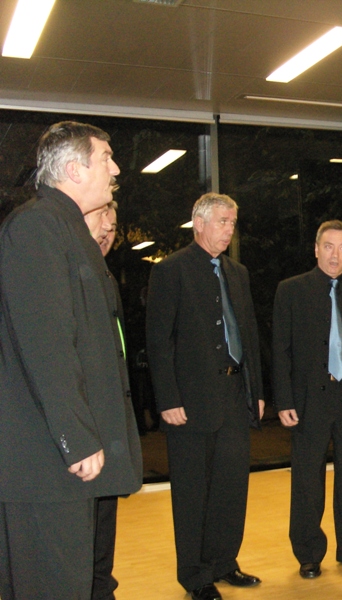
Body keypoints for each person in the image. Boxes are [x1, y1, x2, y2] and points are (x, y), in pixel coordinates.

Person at [0, 121, 142, 600]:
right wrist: (75, 437)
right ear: (75, 169)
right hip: (44, 463)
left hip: (59, 464)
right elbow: (46, 344)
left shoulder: (65, 228)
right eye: (106, 158)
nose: (115, 169)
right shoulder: (36, 227)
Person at [146, 193, 265, 600]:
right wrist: (167, 399)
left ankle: (223, 562)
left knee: (231, 488)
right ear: (199, 223)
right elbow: (158, 341)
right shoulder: (170, 270)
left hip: (234, 395)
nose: (230, 230)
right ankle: (195, 576)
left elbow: (249, 334)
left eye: (233, 222)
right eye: (222, 221)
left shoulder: (238, 272)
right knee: (193, 492)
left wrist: (256, 391)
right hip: (190, 402)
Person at [272, 220, 342, 580]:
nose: (335, 255)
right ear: (316, 249)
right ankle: (308, 554)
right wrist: (283, 400)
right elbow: (280, 351)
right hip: (308, 402)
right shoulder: (291, 290)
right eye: (329, 246)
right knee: (307, 480)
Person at [84, 200, 127, 600]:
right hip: (84, 424)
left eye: (112, 228)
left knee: (105, 513)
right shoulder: (71, 276)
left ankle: (102, 586)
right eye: (100, 223)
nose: (106, 234)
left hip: (109, 421)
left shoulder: (107, 278)